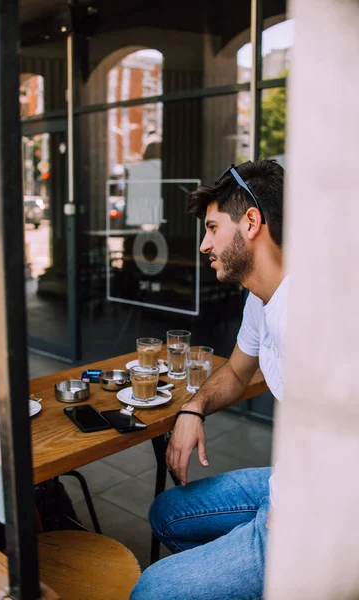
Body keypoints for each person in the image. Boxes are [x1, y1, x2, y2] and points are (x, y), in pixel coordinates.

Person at [131, 158, 286, 600]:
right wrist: (191, 408)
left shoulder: (317, 309)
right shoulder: (261, 300)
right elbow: (238, 371)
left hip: (324, 512)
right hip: (288, 480)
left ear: (251, 222)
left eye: (213, 228)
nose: (204, 244)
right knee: (167, 512)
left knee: (151, 591)